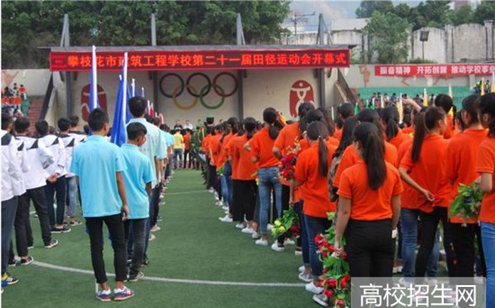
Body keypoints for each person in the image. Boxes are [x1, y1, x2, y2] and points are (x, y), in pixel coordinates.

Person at [71, 108, 133, 301]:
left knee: (96, 247)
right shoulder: (113, 148)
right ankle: (120, 286)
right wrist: (125, 203)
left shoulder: (80, 149)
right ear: (106, 126)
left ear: (89, 126)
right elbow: (119, 179)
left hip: (92, 206)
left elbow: (78, 179)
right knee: (119, 246)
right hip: (112, 204)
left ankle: (104, 288)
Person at [333, 123, 402, 297]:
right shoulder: (392, 171)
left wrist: (337, 237)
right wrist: (392, 227)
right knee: (384, 286)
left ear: (357, 144)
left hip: (359, 232)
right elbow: (397, 206)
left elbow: (344, 212)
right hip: (384, 229)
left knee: (361, 287)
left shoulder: (349, 174)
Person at [399, 107, 456, 289]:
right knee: (449, 244)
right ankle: (451, 285)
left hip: (427, 202)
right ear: (439, 123)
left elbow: (402, 171)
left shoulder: (417, 146)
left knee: (425, 244)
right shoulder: (448, 145)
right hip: (447, 202)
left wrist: (421, 189)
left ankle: (417, 283)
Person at [445, 94, 486, 293]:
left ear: (466, 115)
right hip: (488, 206)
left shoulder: (456, 142)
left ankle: (465, 302)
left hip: (461, 209)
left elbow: (450, 176)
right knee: (489, 261)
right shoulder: (491, 139)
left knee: (464, 259)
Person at [294, 121, 336, 295]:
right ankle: (333, 277)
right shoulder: (336, 150)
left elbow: (298, 180)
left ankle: (318, 279)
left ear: (308, 136)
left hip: (313, 207)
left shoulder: (306, 155)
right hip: (333, 206)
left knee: (315, 244)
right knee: (333, 244)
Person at [127, 96, 166, 264]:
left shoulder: (123, 128)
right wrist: (159, 177)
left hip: (127, 180)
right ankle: (140, 256)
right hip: (148, 180)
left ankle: (129, 254)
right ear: (145, 110)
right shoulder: (156, 130)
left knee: (127, 220)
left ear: (130, 110)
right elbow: (160, 157)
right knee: (144, 222)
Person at [14, 117, 58, 250]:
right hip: (37, 181)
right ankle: (47, 240)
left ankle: (28, 242)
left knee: (23, 214)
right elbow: (50, 156)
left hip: (21, 184)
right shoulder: (36, 142)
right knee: (42, 212)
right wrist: (44, 169)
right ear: (28, 128)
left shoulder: (11, 143)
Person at [121, 122, 153, 282]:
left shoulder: (117, 154)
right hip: (139, 203)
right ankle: (134, 271)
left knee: (123, 237)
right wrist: (146, 196)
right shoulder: (143, 158)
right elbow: (149, 183)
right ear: (140, 138)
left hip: (120, 203)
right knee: (139, 238)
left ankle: (123, 265)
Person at [248, 107, 284, 246]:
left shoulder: (257, 136)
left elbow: (253, 159)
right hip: (277, 170)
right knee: (280, 205)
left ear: (263, 119)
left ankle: (263, 236)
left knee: (264, 206)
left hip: (263, 171)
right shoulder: (280, 133)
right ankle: (281, 237)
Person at [1, 116, 25, 287]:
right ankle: (2, 273)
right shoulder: (6, 139)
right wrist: (19, 189)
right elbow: (15, 166)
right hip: (5, 193)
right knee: (4, 234)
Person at [476, 93, 495, 308]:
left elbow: (487, 186)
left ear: (488, 117)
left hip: (492, 215)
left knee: (493, 272)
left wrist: (479, 182)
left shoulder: (488, 145)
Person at [35, 120, 70, 233]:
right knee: (61, 200)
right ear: (48, 128)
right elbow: (62, 155)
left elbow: (38, 161)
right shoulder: (57, 139)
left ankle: (51, 224)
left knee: (48, 200)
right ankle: (59, 224)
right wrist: (58, 171)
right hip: (59, 173)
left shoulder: (36, 142)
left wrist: (47, 175)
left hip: (46, 175)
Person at [57, 117, 81, 227]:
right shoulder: (73, 140)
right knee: (72, 194)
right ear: (69, 127)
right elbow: (76, 155)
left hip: (59, 170)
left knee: (61, 195)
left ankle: (62, 217)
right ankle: (72, 217)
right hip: (70, 170)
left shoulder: (55, 139)